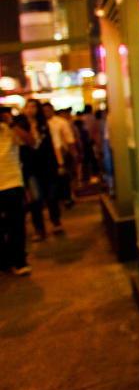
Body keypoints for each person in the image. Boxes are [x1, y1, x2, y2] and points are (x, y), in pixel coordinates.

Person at [18, 100, 60, 237]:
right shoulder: (20, 127)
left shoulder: (46, 126)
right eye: (28, 107)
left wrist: (60, 163)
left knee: (51, 195)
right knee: (35, 199)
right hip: (30, 168)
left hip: (48, 165)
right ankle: (39, 228)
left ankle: (55, 220)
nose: (30, 110)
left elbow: (53, 146)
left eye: (33, 107)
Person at [1, 111, 35, 275]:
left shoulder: (9, 130)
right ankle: (5, 260)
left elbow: (31, 142)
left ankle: (20, 261)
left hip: (12, 183)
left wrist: (11, 124)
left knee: (16, 225)